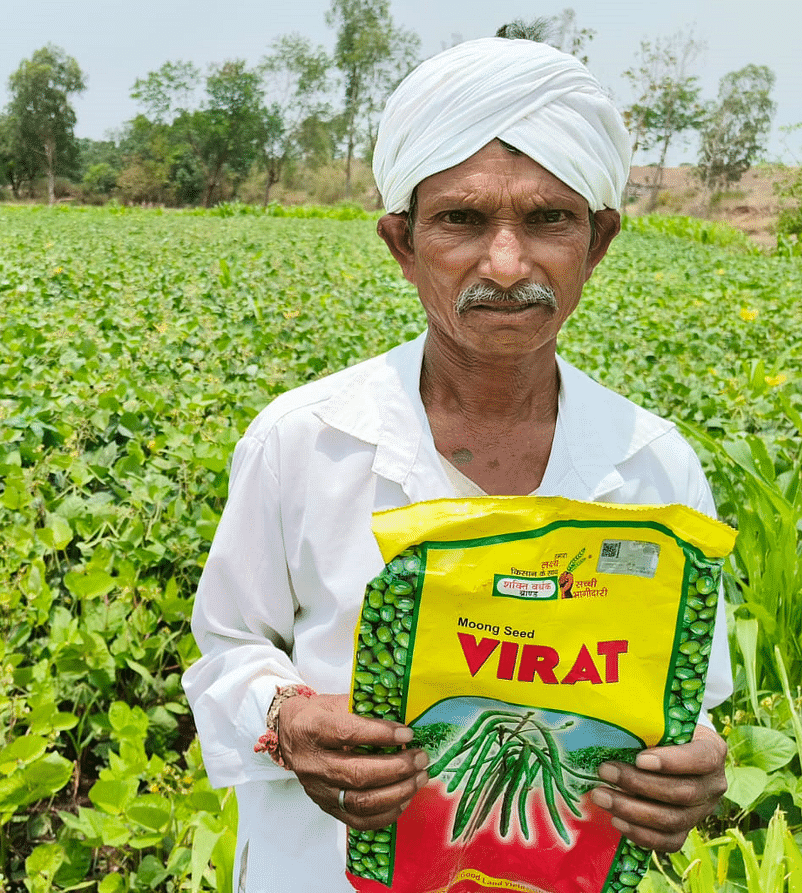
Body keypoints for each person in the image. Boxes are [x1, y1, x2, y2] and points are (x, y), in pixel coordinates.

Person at [181, 36, 730, 892]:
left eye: (550, 218)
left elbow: (690, 704)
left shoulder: (653, 468)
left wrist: (690, 769)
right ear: (402, 242)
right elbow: (226, 647)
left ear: (599, 241)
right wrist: (285, 721)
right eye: (461, 220)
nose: (506, 265)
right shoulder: (304, 440)